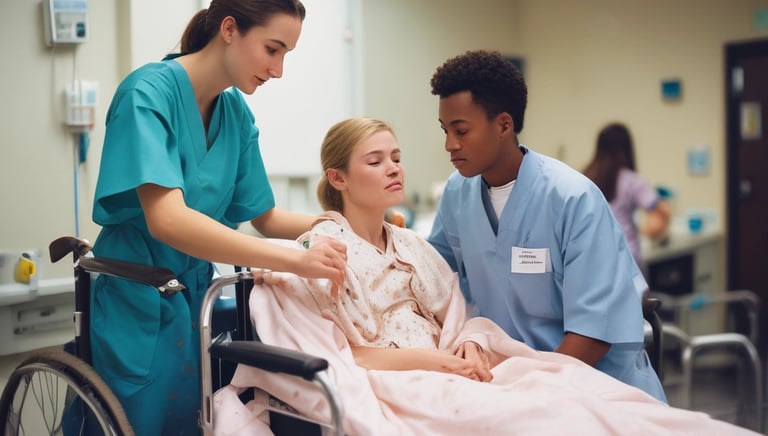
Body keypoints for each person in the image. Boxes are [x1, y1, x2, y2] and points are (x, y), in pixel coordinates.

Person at [215, 117, 756, 435]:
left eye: (397, 157)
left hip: (459, 367)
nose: (395, 168)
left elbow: (459, 311)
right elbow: (343, 356)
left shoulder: (408, 244)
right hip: (407, 379)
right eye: (376, 161)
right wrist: (440, 360)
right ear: (337, 177)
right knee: (550, 418)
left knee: (586, 399)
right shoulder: (318, 253)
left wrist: (471, 343)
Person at [89, 1, 347, 434]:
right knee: (136, 420)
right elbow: (167, 220)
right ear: (230, 29)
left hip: (194, 297)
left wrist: (342, 225)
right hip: (135, 292)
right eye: (272, 49)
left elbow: (265, 216)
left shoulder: (235, 115)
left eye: (286, 55)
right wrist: (295, 261)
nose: (278, 70)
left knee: (195, 417)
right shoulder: (147, 95)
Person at [426, 50, 667, 402]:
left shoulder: (572, 198)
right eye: (445, 130)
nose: (450, 144)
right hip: (506, 381)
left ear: (504, 125)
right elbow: (435, 283)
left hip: (593, 386)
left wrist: (531, 393)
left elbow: (593, 334)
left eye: (461, 130)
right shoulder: (456, 195)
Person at [583, 122, 671, 268]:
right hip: (626, 262)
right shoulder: (631, 181)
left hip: (594, 262)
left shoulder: (585, 177)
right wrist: (645, 230)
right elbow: (662, 211)